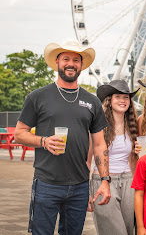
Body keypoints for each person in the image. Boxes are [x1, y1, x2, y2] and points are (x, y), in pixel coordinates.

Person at [14, 40, 111, 235]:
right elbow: (19, 133)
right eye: (66, 58)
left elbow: (100, 144)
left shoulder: (92, 101)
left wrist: (105, 180)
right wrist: (43, 141)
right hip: (46, 183)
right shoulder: (37, 97)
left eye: (76, 60)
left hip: (80, 185)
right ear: (57, 62)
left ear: (81, 65)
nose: (71, 63)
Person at [87, 80, 139, 235]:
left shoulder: (133, 125)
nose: (122, 101)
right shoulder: (97, 124)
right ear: (109, 101)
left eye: (126, 97)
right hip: (103, 182)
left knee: (129, 231)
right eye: (118, 97)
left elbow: (134, 159)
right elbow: (88, 158)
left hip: (129, 182)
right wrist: (85, 190)